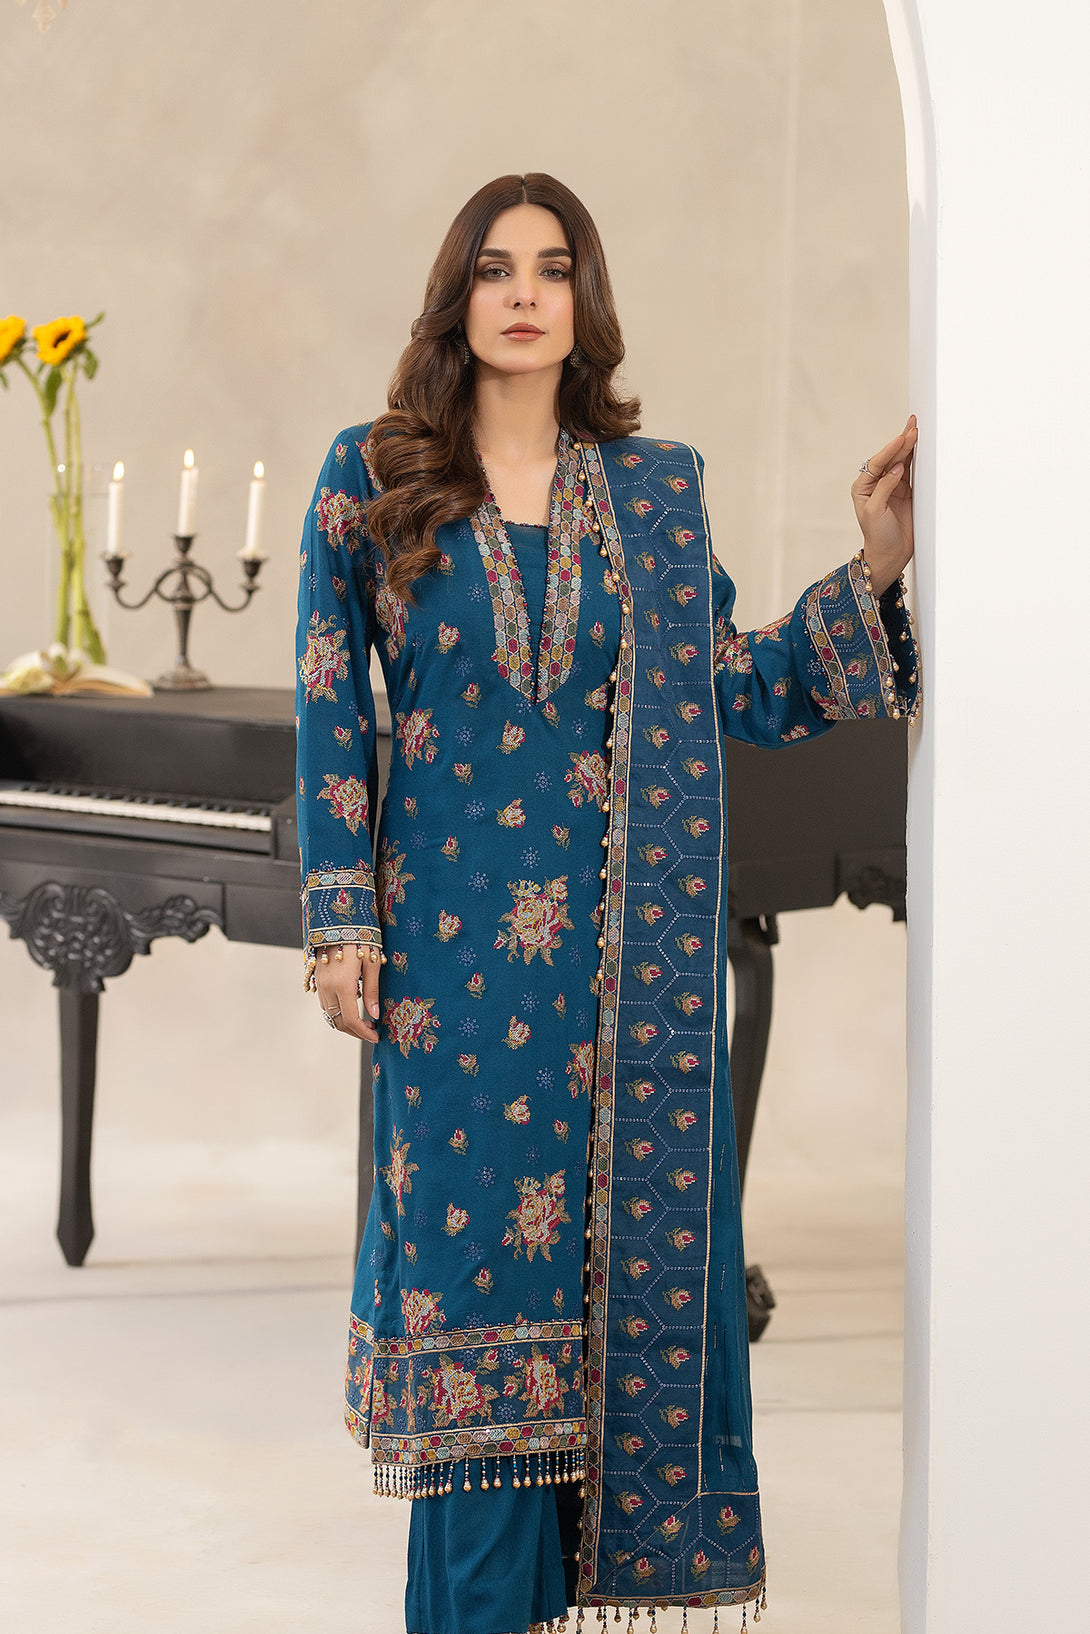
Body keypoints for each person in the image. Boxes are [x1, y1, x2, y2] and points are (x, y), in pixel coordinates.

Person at [295, 172, 918, 1634]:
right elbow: (330, 707)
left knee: (601, 1319)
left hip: (621, 987)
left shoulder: (650, 491)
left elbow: (734, 686)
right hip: (451, 982)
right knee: (470, 1314)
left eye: (553, 267)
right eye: (495, 268)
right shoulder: (372, 472)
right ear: (455, 297)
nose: (524, 293)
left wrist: (876, 563)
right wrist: (341, 923)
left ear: (586, 301)